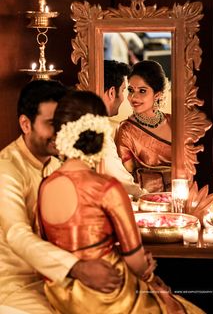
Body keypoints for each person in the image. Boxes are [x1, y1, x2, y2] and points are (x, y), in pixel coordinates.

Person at [37, 89, 205, 314]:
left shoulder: (45, 185)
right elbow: (135, 262)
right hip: (108, 296)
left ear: (59, 133)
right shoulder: (106, 188)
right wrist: (147, 271)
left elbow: (45, 247)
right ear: (99, 136)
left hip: (62, 295)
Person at [0, 80, 122, 314]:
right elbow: (17, 234)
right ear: (26, 124)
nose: (61, 133)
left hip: (56, 281)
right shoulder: (6, 169)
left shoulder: (57, 167)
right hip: (13, 285)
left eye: (63, 124)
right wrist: (78, 268)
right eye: (52, 124)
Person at [115, 60, 172, 193]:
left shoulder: (174, 122)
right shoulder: (126, 130)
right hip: (146, 200)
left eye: (142, 91)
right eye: (130, 90)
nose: (133, 97)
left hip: (182, 197)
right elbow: (127, 178)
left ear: (157, 95)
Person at [103, 59, 145, 198]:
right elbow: (118, 179)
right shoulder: (97, 127)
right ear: (111, 92)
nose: (126, 98)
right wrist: (149, 198)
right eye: (124, 90)